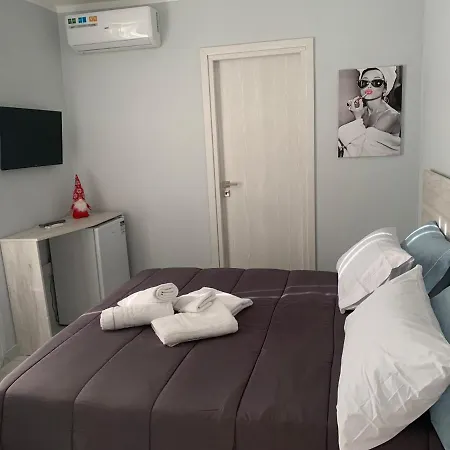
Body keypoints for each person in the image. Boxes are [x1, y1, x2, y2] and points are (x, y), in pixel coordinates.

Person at [338, 67, 401, 158]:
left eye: (376, 82)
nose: (369, 86)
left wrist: (357, 118)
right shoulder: (362, 111)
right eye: (364, 82)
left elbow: (362, 154)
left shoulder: (391, 116)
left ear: (385, 88)